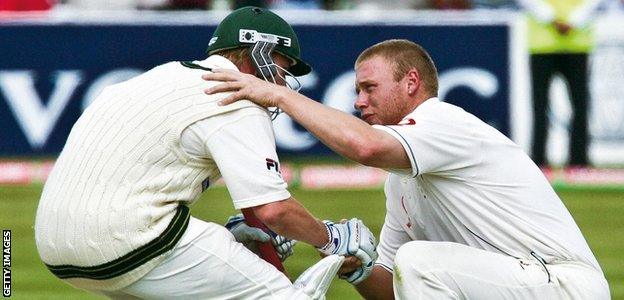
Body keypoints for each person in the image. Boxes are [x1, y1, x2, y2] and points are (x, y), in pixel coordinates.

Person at [203, 39, 610, 299]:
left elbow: (364, 146)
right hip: (519, 285)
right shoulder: (400, 181)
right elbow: (396, 288)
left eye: (369, 88)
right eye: (357, 90)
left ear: (411, 82)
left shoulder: (445, 121)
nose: (358, 101)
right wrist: (354, 263)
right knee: (414, 264)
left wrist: (276, 93)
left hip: (565, 285)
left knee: (419, 259)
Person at [34, 6, 377, 299]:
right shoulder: (235, 96)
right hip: (128, 241)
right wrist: (331, 238)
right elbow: (273, 209)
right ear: (257, 54)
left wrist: (235, 236)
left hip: (54, 248)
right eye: (281, 67)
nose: (283, 83)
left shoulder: (151, 79)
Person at [517, 0, 606, 167]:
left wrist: (569, 21)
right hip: (545, 44)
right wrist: (557, 20)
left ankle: (578, 160)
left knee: (580, 105)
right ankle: (539, 159)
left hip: (573, 44)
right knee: (541, 105)